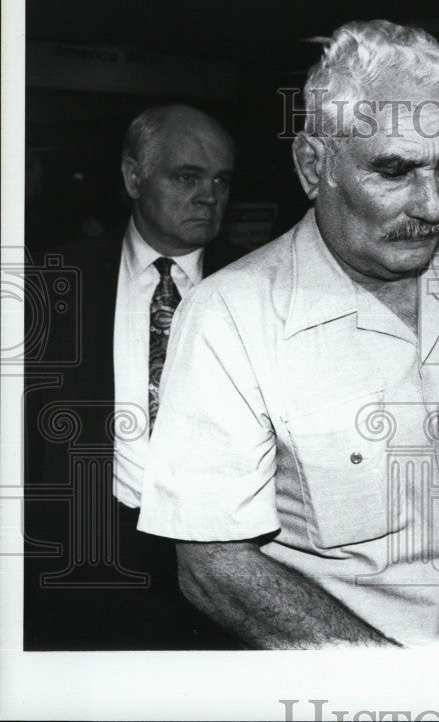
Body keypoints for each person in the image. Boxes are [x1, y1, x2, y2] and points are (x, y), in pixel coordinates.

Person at [137, 20, 439, 648]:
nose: (431, 206)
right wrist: (405, 692)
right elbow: (213, 568)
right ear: (315, 167)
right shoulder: (231, 317)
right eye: (394, 172)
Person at [23, 104, 243, 649]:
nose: (209, 195)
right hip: (81, 566)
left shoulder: (259, 286)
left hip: (225, 562)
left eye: (220, 180)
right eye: (187, 176)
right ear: (133, 177)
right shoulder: (53, 284)